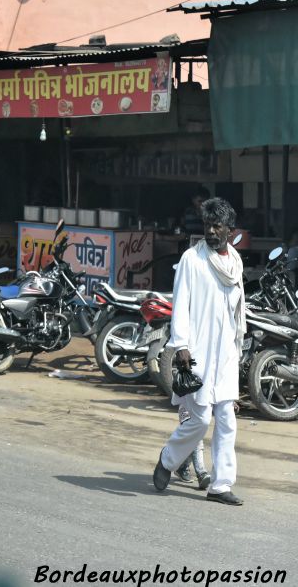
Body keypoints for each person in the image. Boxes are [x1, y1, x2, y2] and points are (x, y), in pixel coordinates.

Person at [152, 197, 245, 506]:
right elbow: (180, 304)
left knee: (227, 420)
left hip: (227, 353)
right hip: (198, 351)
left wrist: (238, 347)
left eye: (217, 226)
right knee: (200, 419)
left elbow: (237, 311)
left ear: (230, 230)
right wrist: (181, 345)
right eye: (207, 225)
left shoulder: (234, 262)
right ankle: (168, 459)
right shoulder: (193, 259)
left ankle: (220, 485)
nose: (211, 231)